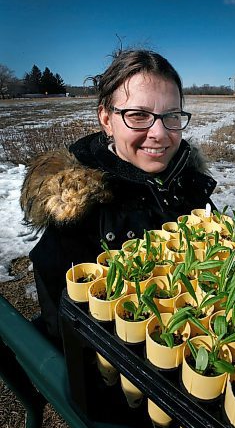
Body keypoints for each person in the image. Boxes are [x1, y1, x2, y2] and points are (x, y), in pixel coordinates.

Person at [20, 49, 217, 339]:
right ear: (106, 119)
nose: (160, 133)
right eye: (138, 115)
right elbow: (65, 330)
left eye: (171, 116)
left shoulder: (190, 183)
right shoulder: (77, 211)